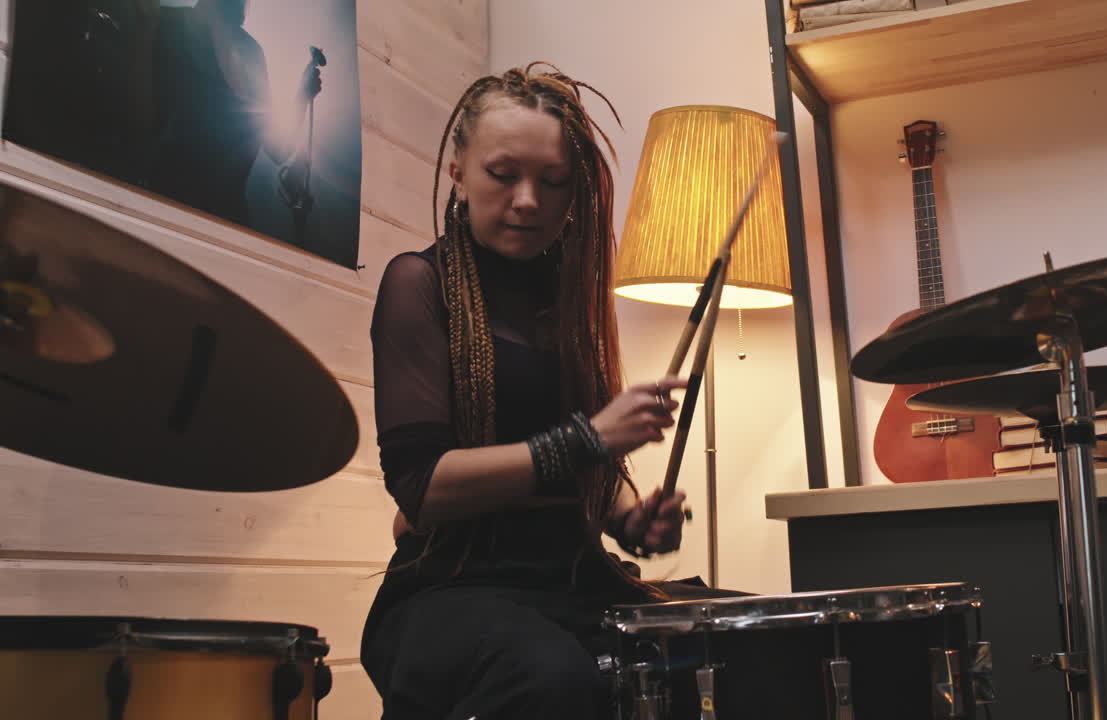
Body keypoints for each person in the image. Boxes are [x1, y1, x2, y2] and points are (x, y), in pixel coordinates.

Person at [359, 63, 698, 720]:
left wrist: (631, 518)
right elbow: (421, 488)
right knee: (551, 677)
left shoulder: (568, 303)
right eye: (503, 173)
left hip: (571, 580)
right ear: (458, 168)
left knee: (721, 640)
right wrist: (587, 438)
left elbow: (589, 474)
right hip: (451, 589)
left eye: (553, 182)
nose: (528, 200)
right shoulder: (417, 285)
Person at [129, 0, 323, 226]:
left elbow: (277, 150)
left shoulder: (250, 50)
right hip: (170, 198)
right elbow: (138, 121)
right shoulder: (166, 24)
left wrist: (302, 95)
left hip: (222, 210)